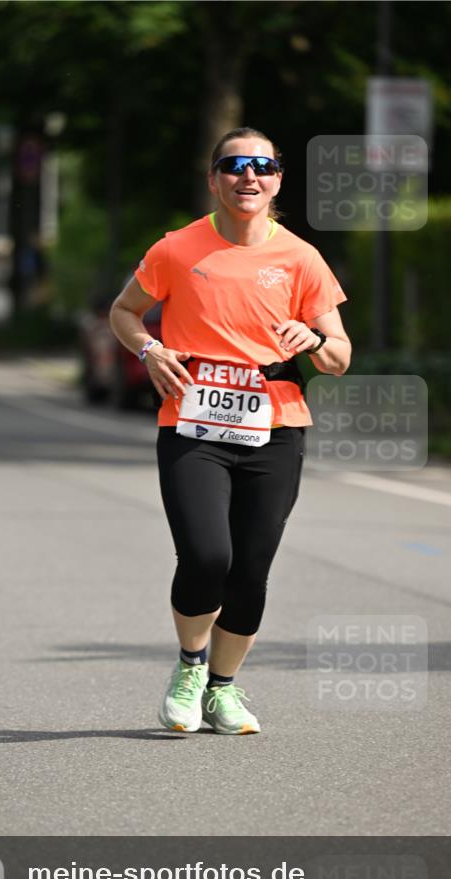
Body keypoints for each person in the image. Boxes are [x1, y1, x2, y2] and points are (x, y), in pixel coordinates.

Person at [109, 126, 351, 735]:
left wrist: (313, 339)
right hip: (193, 423)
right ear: (214, 179)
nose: (249, 176)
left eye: (263, 166)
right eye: (235, 165)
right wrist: (148, 350)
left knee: (250, 570)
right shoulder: (176, 249)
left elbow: (339, 356)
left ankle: (222, 689)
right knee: (206, 555)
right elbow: (124, 311)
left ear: (278, 182)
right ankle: (191, 667)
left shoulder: (301, 258)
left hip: (276, 426)